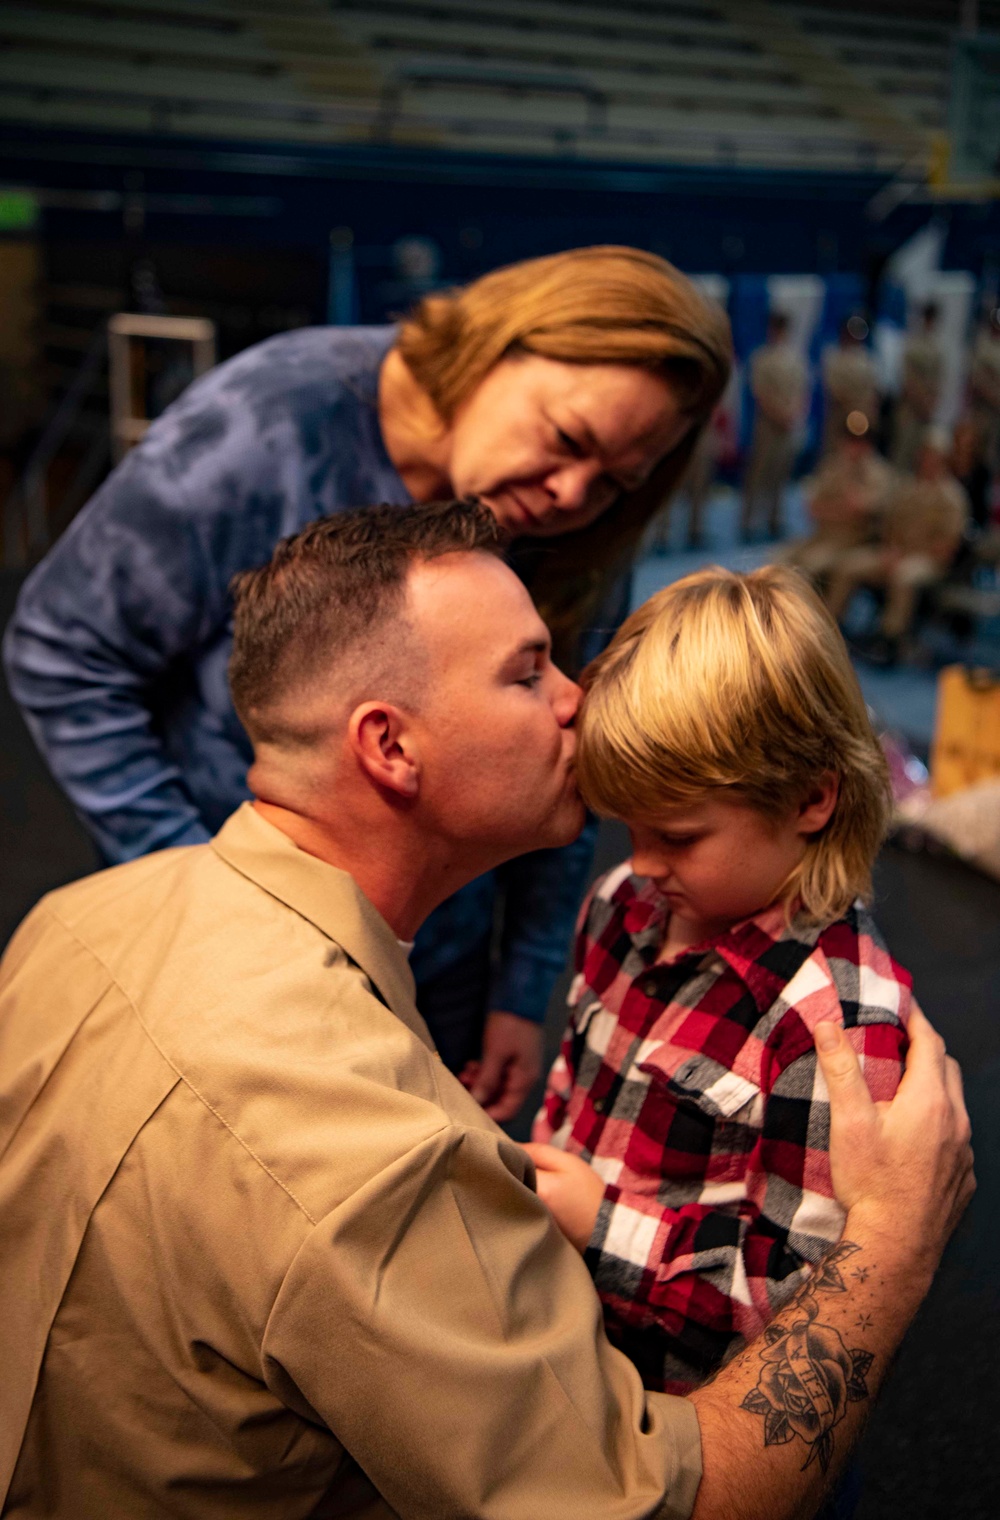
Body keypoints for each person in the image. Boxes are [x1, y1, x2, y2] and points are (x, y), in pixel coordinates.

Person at [0, 501, 974, 1520]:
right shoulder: (374, 1157)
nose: (575, 699)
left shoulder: (69, 920)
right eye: (526, 671)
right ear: (390, 746)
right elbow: (667, 1503)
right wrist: (896, 1239)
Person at [2, 246, 731, 1121]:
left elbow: (567, 747)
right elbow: (63, 647)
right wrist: (195, 893)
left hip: (438, 956)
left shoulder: (575, 532)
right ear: (503, 344)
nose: (572, 492)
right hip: (229, 941)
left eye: (616, 480)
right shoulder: (268, 420)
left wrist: (520, 988)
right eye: (568, 440)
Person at [528, 565, 909, 1395]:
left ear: (811, 797)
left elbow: (803, 1309)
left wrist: (601, 1226)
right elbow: (578, 1084)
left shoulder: (837, 1023)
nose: (639, 863)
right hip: (566, 1360)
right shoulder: (622, 905)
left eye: (678, 835)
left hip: (699, 1417)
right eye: (626, 827)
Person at [825, 428, 969, 661]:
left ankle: (889, 638)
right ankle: (831, 625)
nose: (927, 460)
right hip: (895, 553)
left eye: (933, 456)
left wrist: (908, 556)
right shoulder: (906, 487)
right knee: (848, 565)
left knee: (903, 576)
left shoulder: (951, 497)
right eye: (925, 454)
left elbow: (948, 544)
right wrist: (891, 549)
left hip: (928, 560)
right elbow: (889, 524)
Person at [783, 421, 896, 590]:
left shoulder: (878, 473)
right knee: (779, 562)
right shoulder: (833, 466)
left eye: (859, 441)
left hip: (852, 540)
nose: (853, 446)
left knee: (807, 568)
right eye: (850, 440)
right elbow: (813, 506)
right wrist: (836, 509)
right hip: (821, 535)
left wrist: (831, 509)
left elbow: (857, 508)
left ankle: (809, 615)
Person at [741, 312, 808, 539]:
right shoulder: (761, 357)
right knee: (759, 473)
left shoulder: (795, 359)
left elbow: (802, 390)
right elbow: (761, 393)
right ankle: (749, 522)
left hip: (789, 425)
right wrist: (780, 415)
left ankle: (774, 519)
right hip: (769, 424)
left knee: (781, 473)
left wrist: (794, 414)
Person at [891, 303, 944, 474]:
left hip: (927, 412)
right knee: (903, 454)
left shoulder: (937, 348)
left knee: (922, 455)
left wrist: (931, 404)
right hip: (911, 410)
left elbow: (939, 380)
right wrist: (922, 403)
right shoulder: (911, 344)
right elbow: (908, 380)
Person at [821, 317, 879, 457]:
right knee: (834, 457)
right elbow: (833, 388)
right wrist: (853, 403)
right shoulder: (833, 356)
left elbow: (873, 389)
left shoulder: (867, 359)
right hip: (839, 419)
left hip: (862, 417)